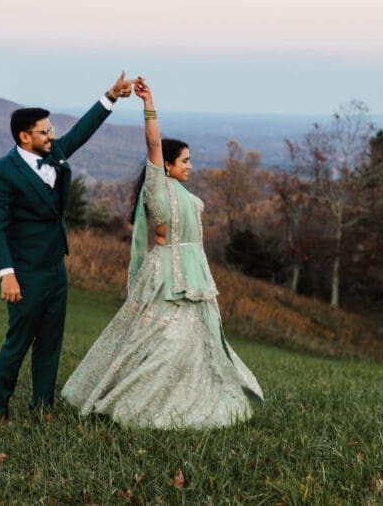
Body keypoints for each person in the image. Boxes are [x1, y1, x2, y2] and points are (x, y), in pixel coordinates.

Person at [62, 77, 264, 429]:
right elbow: (153, 142)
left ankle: (190, 398)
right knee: (162, 342)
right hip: (168, 275)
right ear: (166, 166)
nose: (190, 166)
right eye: (185, 160)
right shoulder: (158, 190)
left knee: (195, 342)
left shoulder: (183, 194)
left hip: (194, 274)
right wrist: (148, 104)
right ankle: (138, 403)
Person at [0, 72, 133, 425]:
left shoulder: (54, 153)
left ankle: (42, 407)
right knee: (18, 342)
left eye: (51, 131)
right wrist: (7, 274)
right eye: (44, 132)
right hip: (25, 272)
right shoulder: (2, 173)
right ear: (24, 136)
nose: (52, 136)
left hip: (54, 269)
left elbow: (81, 132)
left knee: (50, 342)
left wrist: (110, 96)